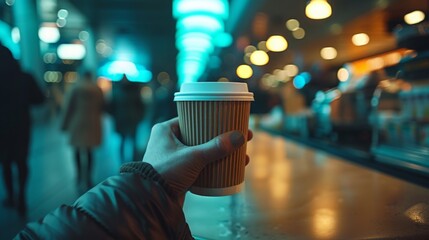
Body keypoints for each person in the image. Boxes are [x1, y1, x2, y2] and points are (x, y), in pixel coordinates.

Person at [15, 117, 253, 239]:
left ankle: (21, 194)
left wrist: (152, 184)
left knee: (17, 162)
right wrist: (150, 186)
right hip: (23, 130)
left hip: (76, 128)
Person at [0, 44, 45, 217]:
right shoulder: (24, 77)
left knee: (5, 162)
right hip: (21, 125)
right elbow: (39, 99)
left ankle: (10, 196)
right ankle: (22, 198)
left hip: (2, 127)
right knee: (21, 161)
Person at [61, 71, 105, 189]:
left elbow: (68, 107)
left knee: (77, 150)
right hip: (93, 122)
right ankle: (89, 176)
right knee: (90, 151)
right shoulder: (97, 89)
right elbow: (102, 106)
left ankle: (79, 175)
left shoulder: (75, 88)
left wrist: (64, 124)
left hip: (77, 122)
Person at [107, 74, 145, 163]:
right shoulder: (120, 91)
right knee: (123, 141)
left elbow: (140, 105)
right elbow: (111, 106)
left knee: (132, 142)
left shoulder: (122, 91)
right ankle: (123, 162)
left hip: (131, 119)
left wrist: (139, 117)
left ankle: (133, 161)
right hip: (123, 120)